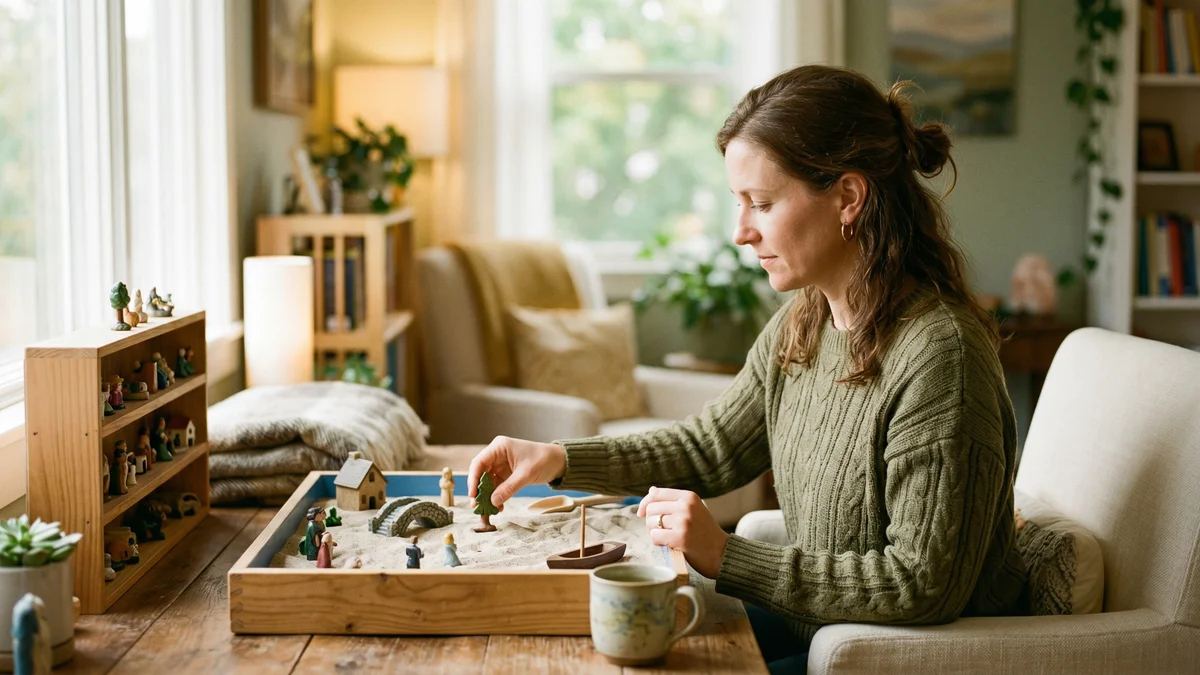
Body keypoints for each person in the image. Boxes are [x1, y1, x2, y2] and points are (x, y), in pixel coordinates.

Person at [467, 64, 1028, 674]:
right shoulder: (807, 320)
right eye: (740, 204)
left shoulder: (940, 357)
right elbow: (710, 447)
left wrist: (725, 554)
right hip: (816, 627)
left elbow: (923, 583)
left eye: (761, 203)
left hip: (897, 655)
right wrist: (560, 460)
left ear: (848, 197)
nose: (741, 232)